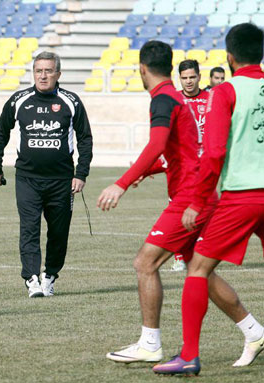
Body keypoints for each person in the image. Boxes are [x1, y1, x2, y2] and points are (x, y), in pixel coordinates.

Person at [98, 40, 253, 365]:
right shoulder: (175, 99)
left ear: (142, 69)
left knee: (146, 263)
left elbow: (156, 144)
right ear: (171, 68)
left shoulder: (163, 100)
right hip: (200, 194)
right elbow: (182, 149)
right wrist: (150, 170)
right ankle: (253, 331)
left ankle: (150, 342)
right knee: (201, 273)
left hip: (189, 199)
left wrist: (121, 183)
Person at [153, 23, 264, 376]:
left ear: (230, 57)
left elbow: (214, 153)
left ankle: (188, 355)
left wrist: (197, 202)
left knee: (198, 269)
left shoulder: (225, 92)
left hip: (242, 196)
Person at [0, 51, 93, 298]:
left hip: (62, 181)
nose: (43, 75)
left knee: (58, 232)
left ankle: (50, 276)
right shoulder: (19, 100)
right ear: (33, 73)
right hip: (27, 179)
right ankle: (32, 279)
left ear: (58, 74)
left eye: (48, 71)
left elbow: (85, 138)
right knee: (29, 228)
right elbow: (0, 133)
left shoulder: (71, 101)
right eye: (38, 71)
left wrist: (81, 173)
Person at [168, 60, 211, 271]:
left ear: (199, 77)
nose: (188, 82)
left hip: (205, 168)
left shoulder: (211, 99)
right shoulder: (173, 100)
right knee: (177, 213)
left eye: (192, 77)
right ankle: (178, 258)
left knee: (203, 214)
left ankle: (199, 255)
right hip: (180, 168)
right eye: (184, 78)